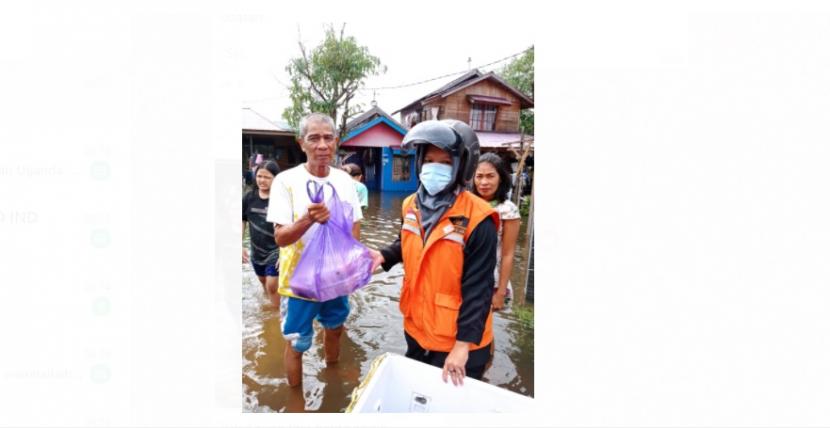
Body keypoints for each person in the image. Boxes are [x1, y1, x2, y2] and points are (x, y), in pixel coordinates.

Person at [368, 120, 499, 386]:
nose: (434, 167)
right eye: (429, 159)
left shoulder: (479, 218)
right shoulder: (411, 204)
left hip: (458, 342)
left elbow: (479, 289)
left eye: (445, 161)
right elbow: (408, 241)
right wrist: (384, 255)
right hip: (417, 328)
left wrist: (462, 346)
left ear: (462, 165)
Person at [266, 112, 363, 388]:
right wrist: (308, 218)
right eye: (314, 138)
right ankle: (296, 399)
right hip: (299, 282)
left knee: (335, 329)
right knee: (297, 343)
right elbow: (281, 238)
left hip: (335, 278)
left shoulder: (345, 181)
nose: (322, 145)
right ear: (301, 143)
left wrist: (350, 268)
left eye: (328, 138)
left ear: (336, 142)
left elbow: (355, 227)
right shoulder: (285, 181)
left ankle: (332, 376)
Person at [472, 153, 521, 311]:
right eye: (479, 176)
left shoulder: (507, 210)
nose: (484, 182)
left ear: (501, 178)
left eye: (490, 176)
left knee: (481, 327)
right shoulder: (467, 205)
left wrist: (500, 291)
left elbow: (508, 254)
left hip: (490, 278)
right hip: (465, 276)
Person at [243, 160, 281, 306]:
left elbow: (288, 227)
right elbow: (242, 220)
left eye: (267, 177)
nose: (262, 180)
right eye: (259, 176)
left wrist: (284, 253)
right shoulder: (249, 197)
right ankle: (268, 307)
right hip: (257, 251)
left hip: (276, 250)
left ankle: (276, 317)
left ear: (275, 179)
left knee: (272, 285)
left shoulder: (280, 200)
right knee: (263, 282)